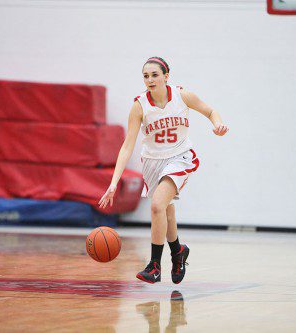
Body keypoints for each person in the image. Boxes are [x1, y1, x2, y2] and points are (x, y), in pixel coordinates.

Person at [98, 57, 229, 284]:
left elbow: (210, 111)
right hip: (152, 161)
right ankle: (178, 251)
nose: (150, 80)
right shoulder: (139, 105)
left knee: (158, 205)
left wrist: (217, 125)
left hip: (179, 157)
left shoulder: (182, 95)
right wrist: (113, 183)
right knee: (166, 211)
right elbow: (127, 145)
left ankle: (154, 265)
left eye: (155, 75)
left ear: (166, 76)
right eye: (146, 76)